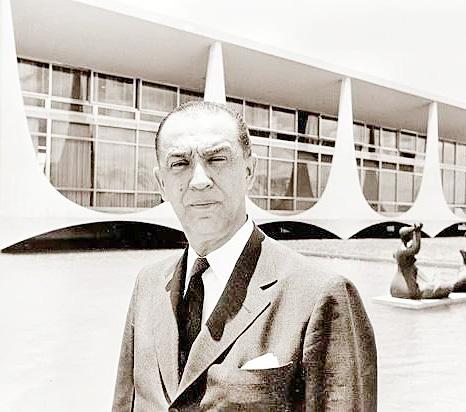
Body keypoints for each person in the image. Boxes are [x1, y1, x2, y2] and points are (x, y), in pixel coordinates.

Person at [112, 101, 377, 411]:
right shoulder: (148, 285)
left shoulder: (320, 295)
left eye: (217, 159)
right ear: (161, 184)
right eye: (180, 163)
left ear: (249, 172)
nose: (199, 180)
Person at [390, 223, 453, 299]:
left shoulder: (400, 249)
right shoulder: (403, 251)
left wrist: (415, 231)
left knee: (437, 285)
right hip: (408, 289)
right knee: (445, 287)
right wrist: (417, 233)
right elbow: (415, 249)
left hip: (399, 286)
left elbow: (413, 247)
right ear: (408, 236)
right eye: (411, 234)